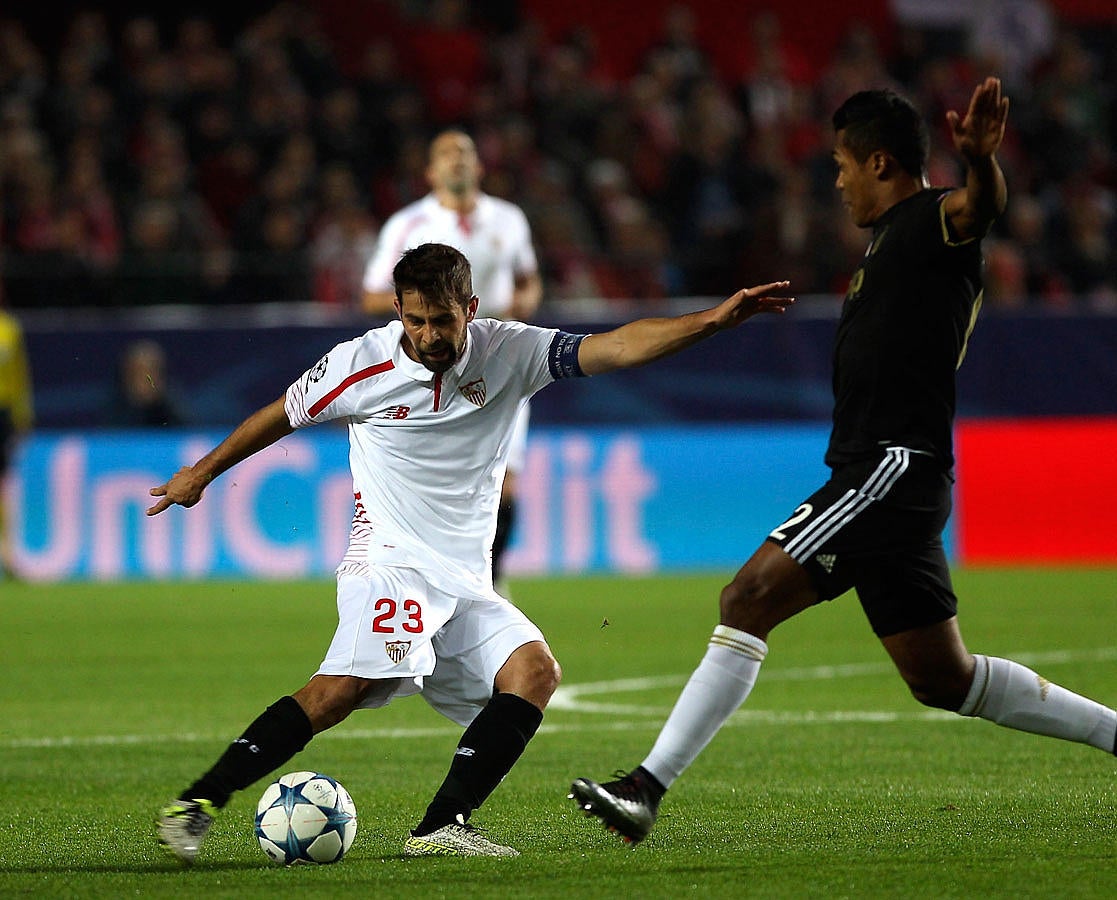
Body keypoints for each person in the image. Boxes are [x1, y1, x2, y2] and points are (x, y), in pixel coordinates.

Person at [569, 77, 1117, 847]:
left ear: (882, 163)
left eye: (841, 165)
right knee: (941, 678)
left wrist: (982, 163)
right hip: (889, 475)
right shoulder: (889, 243)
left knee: (747, 596)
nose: (835, 182)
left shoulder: (929, 220)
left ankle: (644, 788)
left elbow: (976, 207)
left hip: (890, 468)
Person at [151, 241, 793, 863]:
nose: (428, 335)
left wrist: (712, 319)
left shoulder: (512, 350)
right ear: (398, 312)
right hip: (390, 558)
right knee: (342, 687)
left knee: (533, 673)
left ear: (472, 307)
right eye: (414, 319)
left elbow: (617, 346)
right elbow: (281, 414)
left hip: (462, 575)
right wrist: (201, 474)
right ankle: (196, 804)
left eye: (442, 319)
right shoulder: (360, 364)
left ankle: (440, 827)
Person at [362, 129, 542, 588]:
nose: (456, 161)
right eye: (446, 154)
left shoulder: (509, 219)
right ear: (430, 171)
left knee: (506, 483)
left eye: (465, 152)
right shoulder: (408, 226)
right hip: (434, 368)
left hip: (499, 363)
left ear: (479, 166)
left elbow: (529, 280)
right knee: (444, 479)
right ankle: (434, 581)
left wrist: (521, 308)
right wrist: (436, 323)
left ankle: (490, 584)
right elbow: (370, 296)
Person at [0, 303, 34, 578]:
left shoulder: (9, 328)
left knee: (3, 483)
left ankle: (7, 552)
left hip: (2, 412)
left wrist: (23, 415)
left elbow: (19, 375)